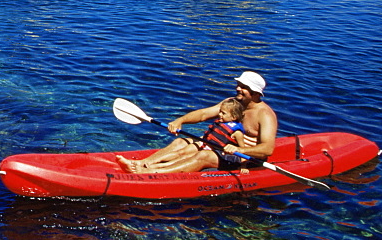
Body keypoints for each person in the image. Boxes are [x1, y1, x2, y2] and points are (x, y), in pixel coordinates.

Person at [116, 71, 277, 174]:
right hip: (220, 147)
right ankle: (142, 164)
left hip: (242, 158)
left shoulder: (265, 115)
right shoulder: (232, 103)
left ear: (255, 93)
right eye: (238, 85)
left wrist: (238, 148)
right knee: (181, 142)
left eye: (243, 87)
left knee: (203, 155)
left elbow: (267, 149)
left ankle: (151, 172)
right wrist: (180, 121)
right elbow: (204, 114)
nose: (238, 89)